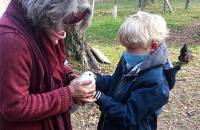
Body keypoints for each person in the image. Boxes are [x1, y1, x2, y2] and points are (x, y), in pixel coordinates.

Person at [0, 0, 96, 130]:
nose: (67, 28)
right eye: (66, 21)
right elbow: (14, 106)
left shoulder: (43, 24)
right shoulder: (12, 41)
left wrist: (70, 77)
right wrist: (69, 93)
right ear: (50, 11)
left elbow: (59, 63)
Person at [93, 11, 179, 130]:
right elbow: (115, 84)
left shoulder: (155, 82)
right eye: (125, 47)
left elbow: (128, 117)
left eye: (131, 48)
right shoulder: (129, 59)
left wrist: (98, 97)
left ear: (152, 47)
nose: (126, 53)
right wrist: (95, 80)